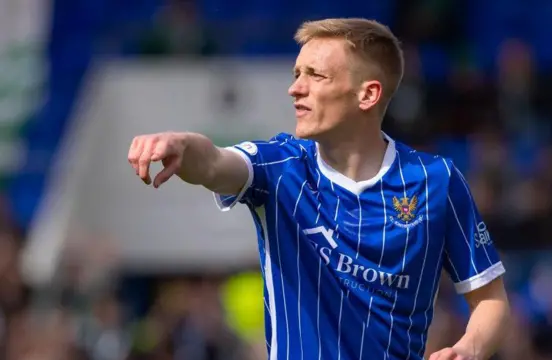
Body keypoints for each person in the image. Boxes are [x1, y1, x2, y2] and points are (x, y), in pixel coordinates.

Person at [127, 18, 510, 360]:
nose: (295, 89)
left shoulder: (435, 181)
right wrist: (180, 143)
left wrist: (468, 350)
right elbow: (212, 163)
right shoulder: (279, 167)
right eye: (296, 74)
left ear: (368, 94)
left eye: (315, 75)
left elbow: (490, 300)